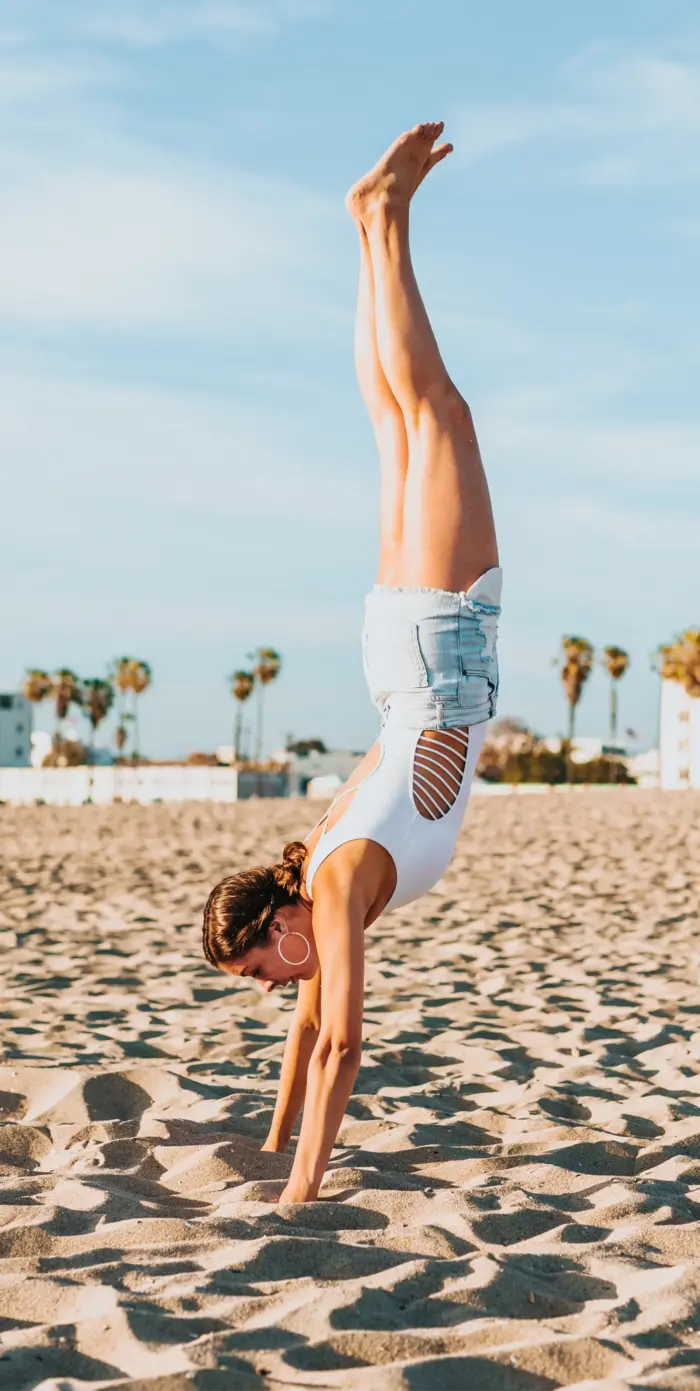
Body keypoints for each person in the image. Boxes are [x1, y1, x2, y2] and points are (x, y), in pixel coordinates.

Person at [202, 122, 501, 1204]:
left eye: (260, 967)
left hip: (438, 653)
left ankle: (384, 221)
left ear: (277, 924)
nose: (274, 985)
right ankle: (379, 222)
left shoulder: (330, 888)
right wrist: (274, 1136)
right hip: (401, 655)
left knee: (434, 414)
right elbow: (305, 1035)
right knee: (394, 425)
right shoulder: (318, 875)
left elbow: (340, 1048)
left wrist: (298, 1193)